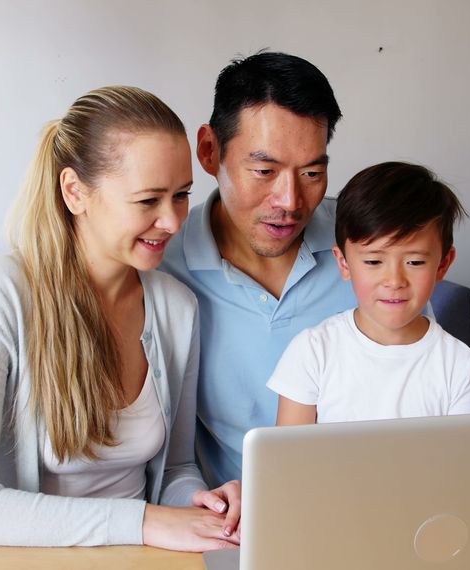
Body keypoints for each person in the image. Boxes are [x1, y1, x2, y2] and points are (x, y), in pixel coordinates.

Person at [0, 86, 240, 551]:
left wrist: (198, 501)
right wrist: (144, 523)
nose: (173, 221)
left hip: (145, 558)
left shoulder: (176, 307)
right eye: (148, 200)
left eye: (181, 195)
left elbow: (173, 469)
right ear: (75, 192)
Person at [160, 52, 357, 487]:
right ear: (209, 151)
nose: (289, 201)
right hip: (236, 534)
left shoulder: (366, 250)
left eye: (311, 172)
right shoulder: (161, 269)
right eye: (264, 170)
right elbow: (166, 459)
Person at [268, 162, 470, 425]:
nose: (394, 281)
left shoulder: (460, 366)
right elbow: (291, 459)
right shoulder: (314, 351)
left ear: (442, 264)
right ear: (344, 263)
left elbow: (467, 462)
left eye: (415, 262)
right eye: (374, 262)